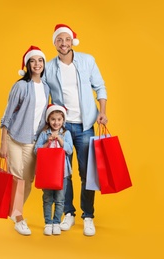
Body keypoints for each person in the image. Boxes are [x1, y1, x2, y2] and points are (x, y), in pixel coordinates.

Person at [44, 24, 108, 236]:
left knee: (86, 172)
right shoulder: (49, 68)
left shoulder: (87, 61)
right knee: (63, 173)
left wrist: (102, 111)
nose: (63, 43)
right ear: (54, 43)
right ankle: (68, 213)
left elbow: (100, 86)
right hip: (62, 129)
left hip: (85, 125)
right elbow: (44, 96)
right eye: (59, 40)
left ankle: (88, 215)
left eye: (67, 39)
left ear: (72, 42)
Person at [0, 45, 50, 236]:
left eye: (40, 60)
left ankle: (14, 211)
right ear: (27, 65)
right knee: (17, 178)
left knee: (28, 180)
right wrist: (3, 143)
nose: (37, 64)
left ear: (43, 64)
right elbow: (7, 115)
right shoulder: (20, 86)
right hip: (14, 138)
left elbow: (42, 115)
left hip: (32, 140)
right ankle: (19, 217)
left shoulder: (46, 87)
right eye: (33, 61)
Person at [34, 104, 73, 236]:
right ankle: (48, 223)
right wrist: (47, 143)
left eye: (59, 119)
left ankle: (56, 223)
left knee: (60, 199)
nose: (56, 122)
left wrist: (61, 141)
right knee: (47, 198)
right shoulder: (44, 134)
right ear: (48, 120)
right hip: (47, 173)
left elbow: (70, 150)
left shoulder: (66, 134)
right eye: (53, 119)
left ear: (63, 120)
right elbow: (36, 151)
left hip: (62, 172)